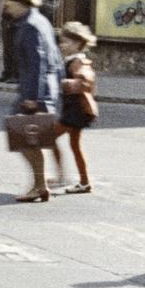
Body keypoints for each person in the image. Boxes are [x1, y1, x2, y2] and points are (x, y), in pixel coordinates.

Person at [3, 0, 64, 203]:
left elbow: (38, 62)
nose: (5, 7)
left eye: (8, 2)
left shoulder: (30, 26)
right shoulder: (40, 20)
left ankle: (40, 186)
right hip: (43, 88)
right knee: (30, 138)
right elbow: (55, 59)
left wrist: (32, 98)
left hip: (36, 91)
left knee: (22, 137)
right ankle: (40, 184)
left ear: (21, 1)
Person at [50, 22, 99, 195]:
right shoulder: (72, 59)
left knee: (48, 137)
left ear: (78, 43)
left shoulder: (78, 61)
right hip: (74, 109)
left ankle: (61, 176)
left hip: (75, 111)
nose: (63, 45)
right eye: (62, 42)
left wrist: (69, 83)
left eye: (67, 42)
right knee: (75, 145)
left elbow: (86, 78)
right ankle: (84, 182)